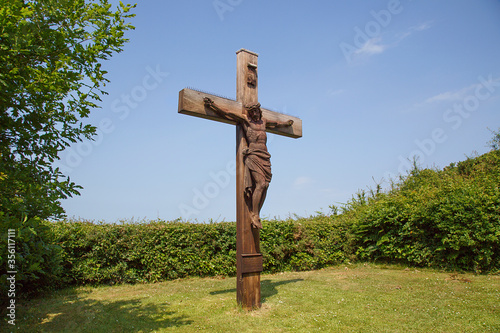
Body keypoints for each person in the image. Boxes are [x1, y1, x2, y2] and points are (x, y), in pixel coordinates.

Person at [203, 97, 293, 229]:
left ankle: (256, 212)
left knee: (266, 185)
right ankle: (254, 214)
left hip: (265, 156)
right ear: (250, 113)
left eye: (257, 111)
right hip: (253, 155)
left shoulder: (264, 122)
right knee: (260, 183)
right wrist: (213, 106)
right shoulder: (246, 120)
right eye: (253, 112)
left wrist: (287, 123)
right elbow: (228, 113)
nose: (255, 113)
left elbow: (277, 124)